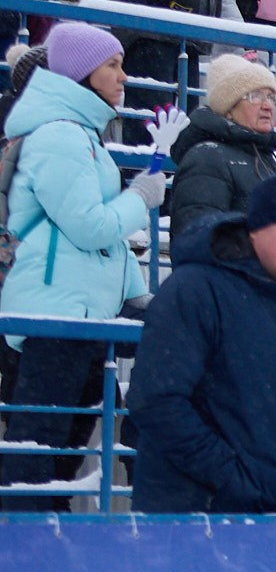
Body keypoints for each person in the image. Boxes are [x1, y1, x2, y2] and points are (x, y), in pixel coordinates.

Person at [0, 25, 162, 506]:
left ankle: (46, 555)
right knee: (36, 460)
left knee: (63, 459)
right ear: (80, 72)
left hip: (85, 317)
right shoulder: (60, 136)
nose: (123, 75)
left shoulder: (83, 135)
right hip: (57, 317)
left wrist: (135, 295)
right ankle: (23, 560)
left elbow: (105, 247)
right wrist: (141, 197)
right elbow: (91, 228)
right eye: (112, 65)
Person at [127, 170, 276, 512]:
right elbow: (157, 401)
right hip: (191, 517)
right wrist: (231, 480)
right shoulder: (195, 290)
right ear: (256, 229)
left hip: (265, 519)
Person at [166, 54, 276, 245]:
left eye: (271, 97)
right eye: (256, 96)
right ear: (228, 107)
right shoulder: (207, 158)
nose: (268, 105)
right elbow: (197, 243)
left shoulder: (265, 158)